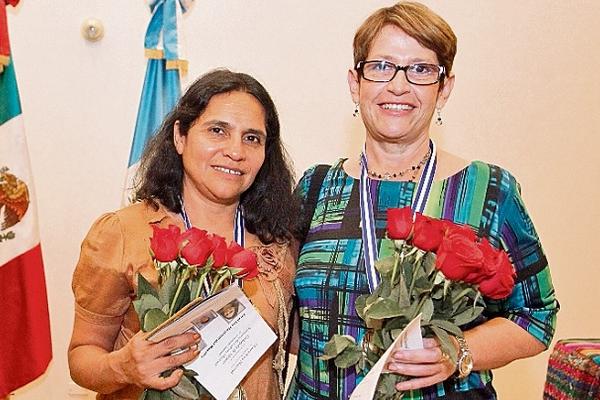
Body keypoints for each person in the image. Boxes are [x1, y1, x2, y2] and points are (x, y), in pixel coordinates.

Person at [286, 2, 559, 399]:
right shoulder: (315, 188)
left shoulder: (488, 189)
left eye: (420, 69)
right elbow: (289, 319)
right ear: (354, 83)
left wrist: (458, 351)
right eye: (381, 66)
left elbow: (537, 317)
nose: (398, 85)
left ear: (444, 88)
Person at [69, 69, 300, 400]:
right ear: (180, 136)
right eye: (217, 131)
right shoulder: (123, 233)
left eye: (252, 138)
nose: (236, 151)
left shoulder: (277, 243)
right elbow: (82, 355)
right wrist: (124, 367)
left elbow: (299, 342)